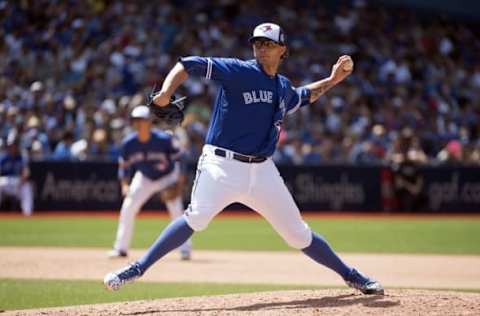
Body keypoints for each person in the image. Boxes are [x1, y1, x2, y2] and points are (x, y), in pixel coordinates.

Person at [104, 23, 384, 295]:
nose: (261, 48)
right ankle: (138, 268)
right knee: (196, 217)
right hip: (221, 165)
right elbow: (188, 63)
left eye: (268, 44)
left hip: (262, 170)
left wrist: (333, 80)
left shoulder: (282, 87)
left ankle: (351, 276)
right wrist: (165, 93)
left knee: (298, 234)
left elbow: (303, 95)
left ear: (282, 50)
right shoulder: (238, 71)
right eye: (257, 43)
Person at [108, 105, 192, 260]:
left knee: (176, 210)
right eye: (135, 120)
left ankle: (185, 249)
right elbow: (124, 167)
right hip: (145, 177)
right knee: (128, 207)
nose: (139, 123)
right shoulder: (129, 143)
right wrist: (125, 185)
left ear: (149, 121)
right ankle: (121, 248)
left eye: (142, 120)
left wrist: (179, 185)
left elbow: (181, 159)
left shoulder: (164, 139)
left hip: (168, 176)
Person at [0, 132, 33, 216]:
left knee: (27, 187)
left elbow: (26, 172)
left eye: (14, 145)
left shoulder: (21, 157)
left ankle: (27, 214)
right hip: (5, 182)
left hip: (17, 182)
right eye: (11, 145)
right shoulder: (3, 158)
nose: (12, 147)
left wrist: (22, 180)